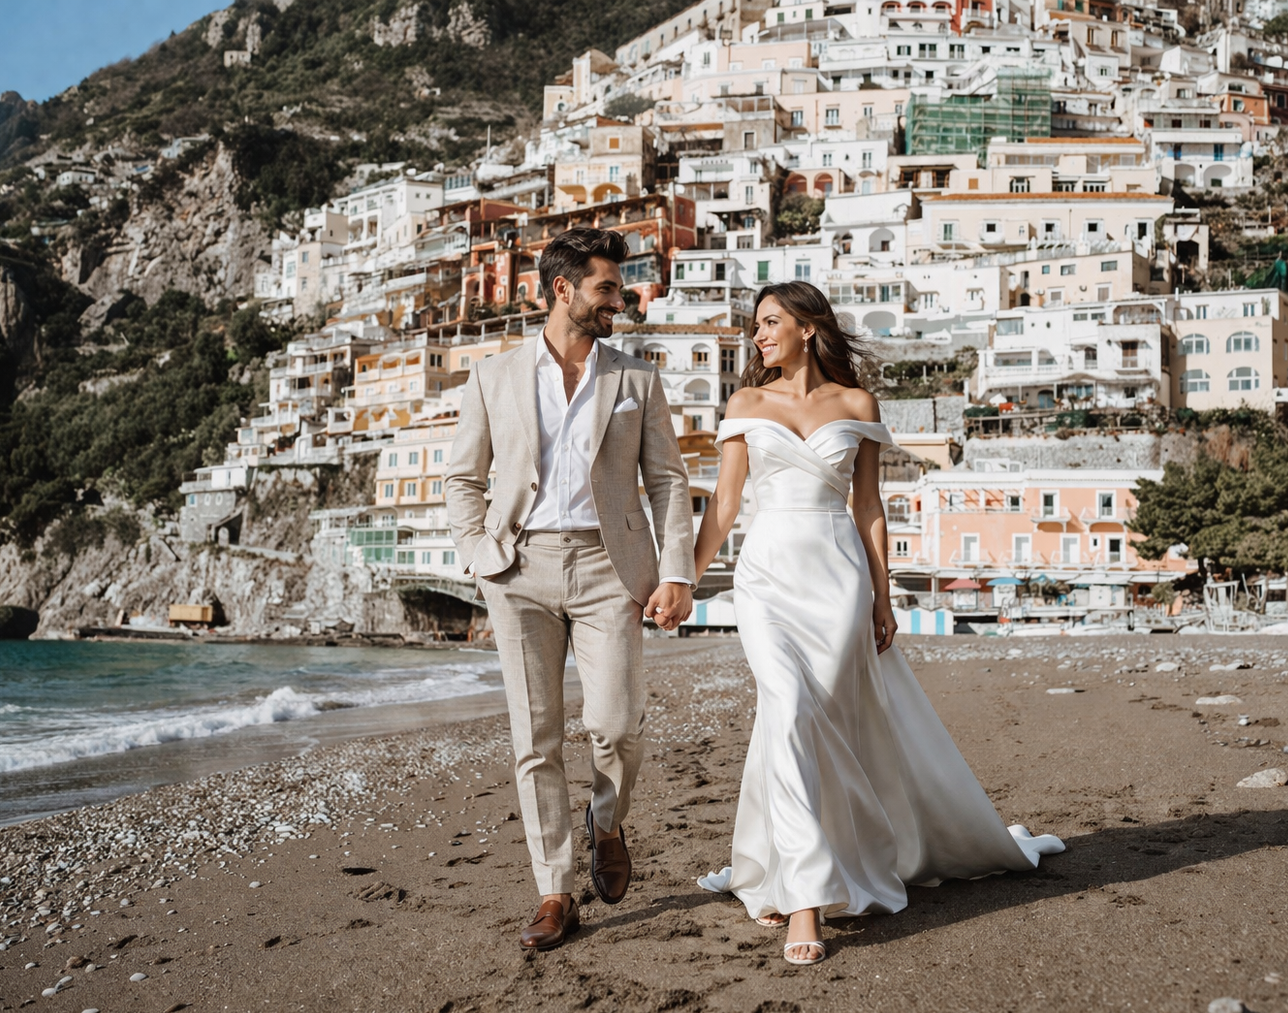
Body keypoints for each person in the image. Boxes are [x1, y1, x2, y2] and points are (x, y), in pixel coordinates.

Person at [693, 281, 1063, 966]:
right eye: (754, 326)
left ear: (809, 328)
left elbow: (868, 508)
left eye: (770, 322)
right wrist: (684, 578)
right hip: (766, 578)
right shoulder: (744, 403)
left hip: (837, 580)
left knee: (817, 720)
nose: (757, 336)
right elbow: (723, 504)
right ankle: (804, 899)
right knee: (787, 707)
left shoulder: (857, 405)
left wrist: (882, 598)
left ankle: (793, 860)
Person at [445, 227, 696, 951]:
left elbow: (668, 481)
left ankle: (606, 821)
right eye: (607, 288)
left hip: (608, 568)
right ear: (564, 290)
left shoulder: (635, 379)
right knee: (536, 737)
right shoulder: (493, 376)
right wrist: (477, 553)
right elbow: (463, 478)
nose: (621, 298)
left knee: (616, 725)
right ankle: (554, 890)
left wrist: (675, 572)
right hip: (517, 569)